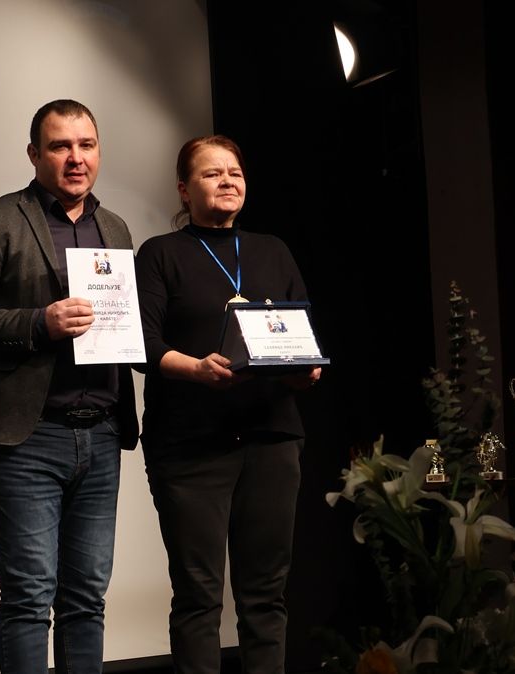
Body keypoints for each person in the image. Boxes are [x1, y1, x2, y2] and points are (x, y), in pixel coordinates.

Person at [0, 99, 139, 674]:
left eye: (87, 145)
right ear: (34, 154)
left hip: (101, 435)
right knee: (29, 598)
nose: (76, 158)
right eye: (60, 146)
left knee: (87, 600)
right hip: (28, 439)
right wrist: (38, 322)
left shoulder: (115, 226)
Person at [134, 135, 321, 674]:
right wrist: (194, 368)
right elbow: (142, 344)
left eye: (234, 173)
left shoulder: (272, 249)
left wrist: (304, 368)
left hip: (271, 439)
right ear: (183, 189)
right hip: (191, 445)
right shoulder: (160, 254)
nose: (227, 182)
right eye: (211, 173)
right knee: (199, 596)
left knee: (266, 595)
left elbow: (299, 330)